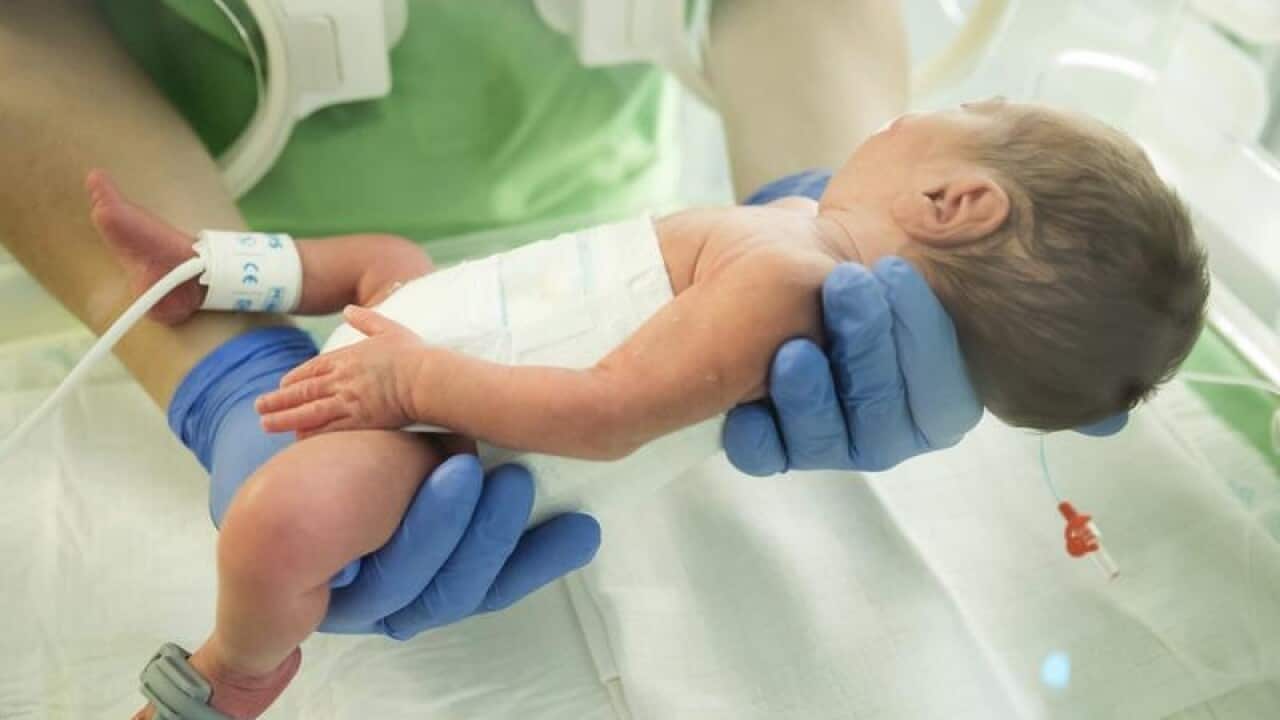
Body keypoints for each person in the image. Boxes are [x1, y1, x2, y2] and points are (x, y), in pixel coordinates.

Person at [0, 2, 1123, 717]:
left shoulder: (787, 280)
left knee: (280, 523)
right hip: (449, 311)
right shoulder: (787, 249)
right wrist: (263, 368)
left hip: (456, 423)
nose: (921, 108)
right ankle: (207, 279)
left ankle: (235, 669)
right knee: (383, 258)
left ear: (957, 199)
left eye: (965, 111)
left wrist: (410, 385)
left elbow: (604, 414)